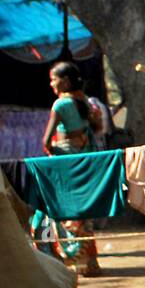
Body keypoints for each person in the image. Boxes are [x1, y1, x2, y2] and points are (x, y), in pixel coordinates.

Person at [39, 62, 104, 276]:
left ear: (64, 81)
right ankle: (90, 262)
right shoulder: (83, 101)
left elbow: (47, 141)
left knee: (67, 207)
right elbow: (96, 128)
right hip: (84, 158)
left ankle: (74, 259)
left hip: (66, 160)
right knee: (83, 209)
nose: (51, 83)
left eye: (53, 79)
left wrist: (52, 151)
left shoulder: (60, 105)